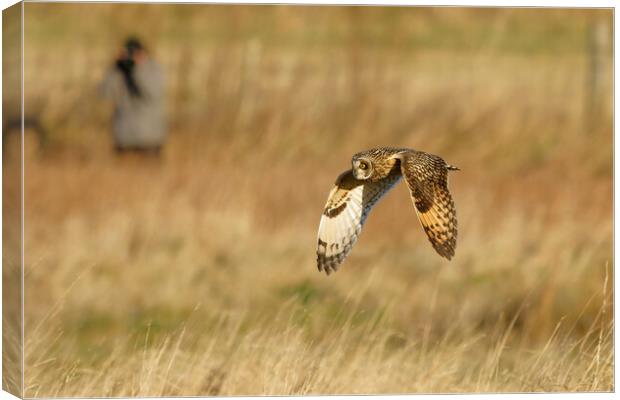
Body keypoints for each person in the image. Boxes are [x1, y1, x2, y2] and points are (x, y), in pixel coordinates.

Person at [100, 37, 166, 155]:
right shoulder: (119, 71)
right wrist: (115, 68)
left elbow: (151, 94)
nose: (130, 57)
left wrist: (136, 70)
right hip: (124, 138)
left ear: (143, 53)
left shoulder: (153, 69)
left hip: (149, 139)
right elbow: (105, 94)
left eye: (133, 53)